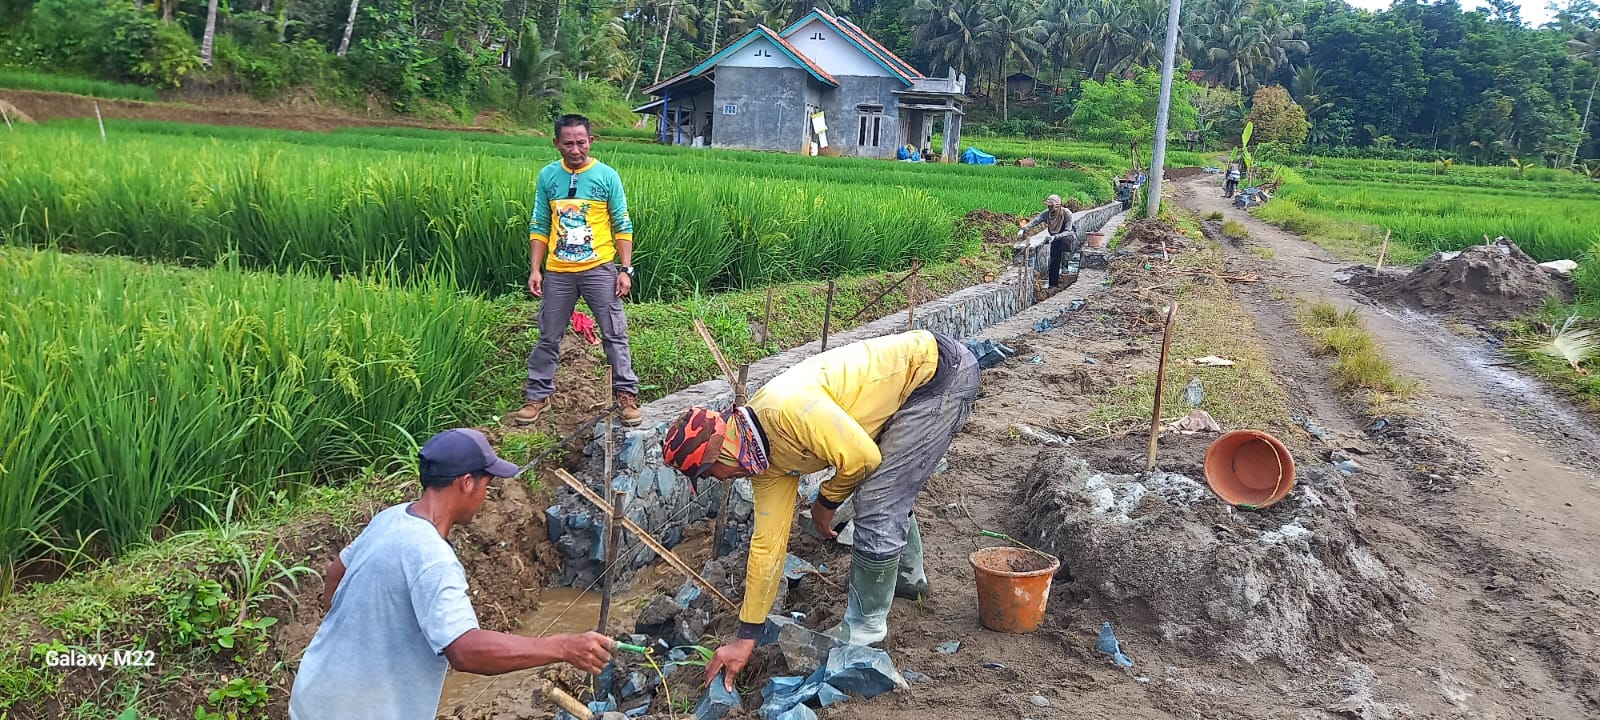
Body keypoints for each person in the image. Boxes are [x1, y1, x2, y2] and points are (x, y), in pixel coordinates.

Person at [659, 329, 981, 691]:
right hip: (907, 389)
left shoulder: (783, 411)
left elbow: (861, 458)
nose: (718, 480)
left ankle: (865, 628)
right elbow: (767, 547)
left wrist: (825, 502)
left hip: (936, 374)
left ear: (718, 453)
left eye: (709, 474)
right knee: (886, 486)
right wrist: (746, 636)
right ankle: (907, 579)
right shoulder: (762, 463)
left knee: (878, 495)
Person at [288, 428, 614, 720]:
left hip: (313, 696)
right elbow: (465, 650)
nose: (485, 496)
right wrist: (563, 647)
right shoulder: (433, 556)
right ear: (467, 482)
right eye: (486, 484)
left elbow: (336, 572)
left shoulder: (390, 518)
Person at [509, 114, 643, 428]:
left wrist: (625, 270)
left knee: (614, 334)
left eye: (581, 143)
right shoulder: (548, 176)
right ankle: (537, 396)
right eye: (568, 143)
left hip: (599, 268)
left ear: (590, 141)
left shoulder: (606, 176)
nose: (575, 150)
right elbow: (540, 224)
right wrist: (535, 269)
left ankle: (626, 395)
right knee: (548, 335)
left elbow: (622, 224)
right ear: (556, 143)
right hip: (558, 271)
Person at [1017, 194, 1078, 289]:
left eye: (1051, 205)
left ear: (1057, 205)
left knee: (1064, 249)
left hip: (1066, 236)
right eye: (1048, 205)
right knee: (1053, 260)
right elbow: (1036, 221)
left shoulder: (1066, 213)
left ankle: (1065, 268)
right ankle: (1053, 285)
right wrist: (1024, 229)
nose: (1049, 207)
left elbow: (1068, 231)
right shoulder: (1047, 214)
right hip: (1054, 237)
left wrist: (1055, 237)